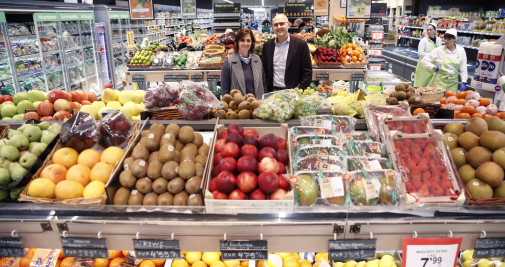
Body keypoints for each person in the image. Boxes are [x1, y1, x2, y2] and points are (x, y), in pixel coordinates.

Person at [261, 14, 312, 92]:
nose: (279, 27)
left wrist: (300, 91)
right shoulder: (267, 46)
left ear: (288, 25)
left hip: (293, 93)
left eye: (282, 24)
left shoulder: (300, 45)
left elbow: (307, 71)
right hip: (272, 92)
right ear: (272, 27)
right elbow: (264, 71)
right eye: (276, 25)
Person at [220, 29, 266, 99]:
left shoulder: (257, 59)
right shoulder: (229, 62)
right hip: (238, 107)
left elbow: (263, 83)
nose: (245, 43)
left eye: (248, 40)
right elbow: (224, 89)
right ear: (237, 42)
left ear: (252, 43)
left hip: (257, 105)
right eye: (242, 40)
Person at [421, 28, 468, 93]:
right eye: (445, 39)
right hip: (439, 84)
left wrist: (464, 82)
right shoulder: (439, 50)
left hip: (452, 85)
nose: (446, 41)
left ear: (454, 39)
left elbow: (463, 68)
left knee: (451, 101)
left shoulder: (461, 51)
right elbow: (424, 61)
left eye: (448, 39)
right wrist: (434, 67)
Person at [413, 23, 442, 87]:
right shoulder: (423, 41)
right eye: (427, 30)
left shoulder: (439, 40)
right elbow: (420, 53)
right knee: (421, 86)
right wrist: (432, 56)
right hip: (424, 68)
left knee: (432, 87)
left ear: (435, 30)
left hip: (434, 66)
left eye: (431, 30)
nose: (429, 31)